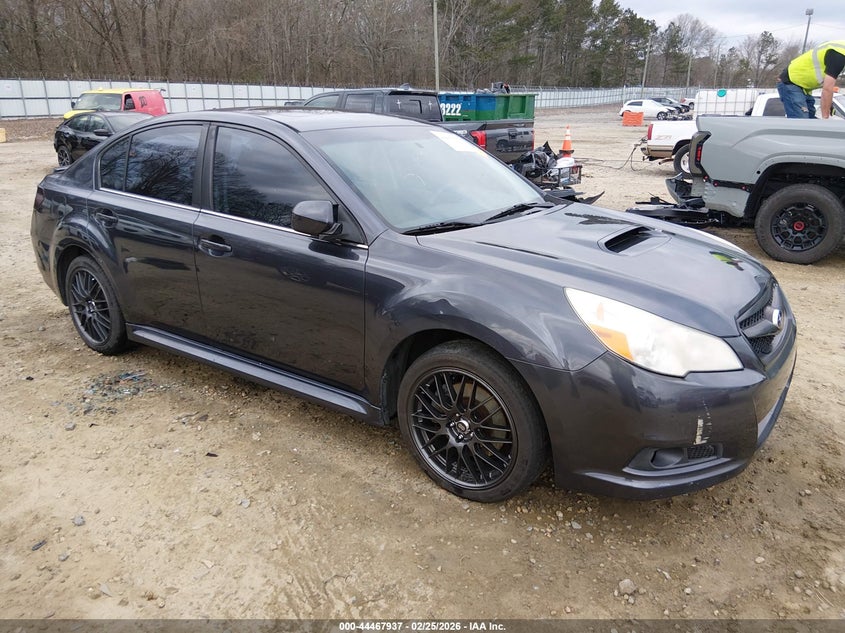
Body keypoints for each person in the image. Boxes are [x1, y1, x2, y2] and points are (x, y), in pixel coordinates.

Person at [777, 41, 845, 119]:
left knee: (811, 122)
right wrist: (825, 119)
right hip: (791, 82)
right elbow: (827, 89)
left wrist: (828, 103)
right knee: (803, 123)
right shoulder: (839, 54)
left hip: (803, 87)